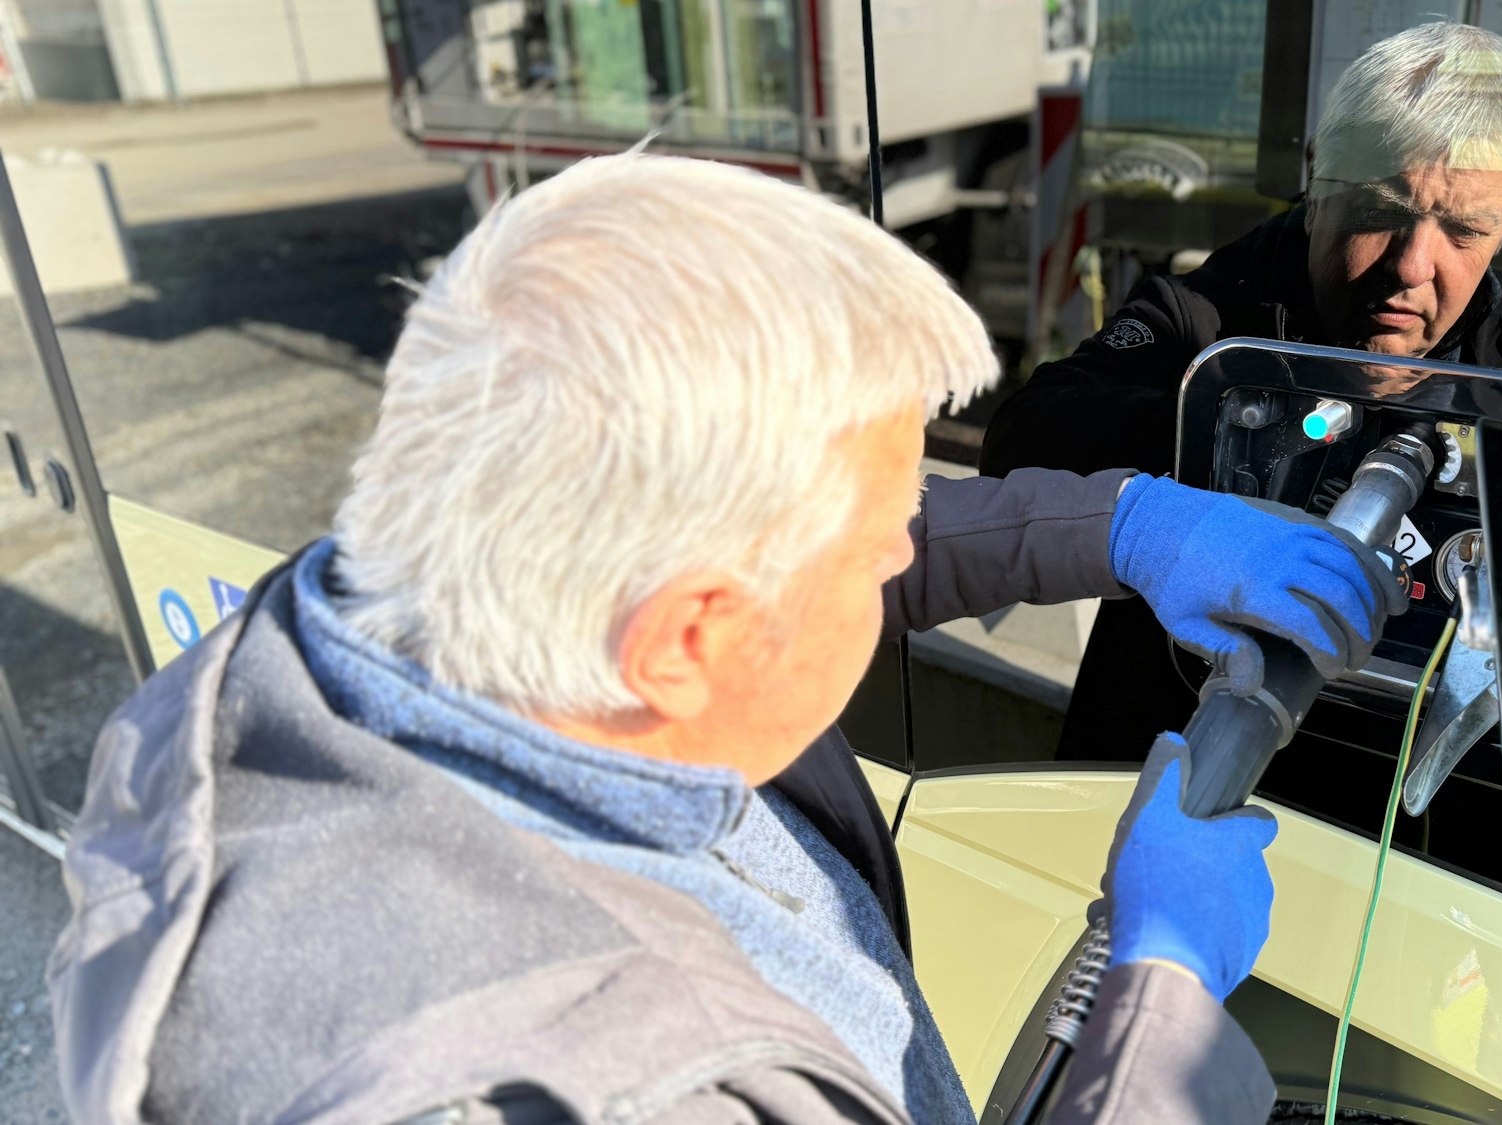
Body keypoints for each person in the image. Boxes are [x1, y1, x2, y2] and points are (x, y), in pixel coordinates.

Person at [48, 153, 1403, 1125]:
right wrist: (1155, 1003)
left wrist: (1123, 527)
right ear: (689, 638)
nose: (907, 554)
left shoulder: (397, 605)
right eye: (880, 541)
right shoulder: (590, 1088)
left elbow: (826, 553)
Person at [979, 22, 1502, 887]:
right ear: (1318, 179)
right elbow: (1023, 445)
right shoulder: (1210, 317)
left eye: (1464, 231)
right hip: (1175, 789)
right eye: (1382, 213)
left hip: (1421, 835)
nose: (1412, 267)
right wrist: (1218, 453)